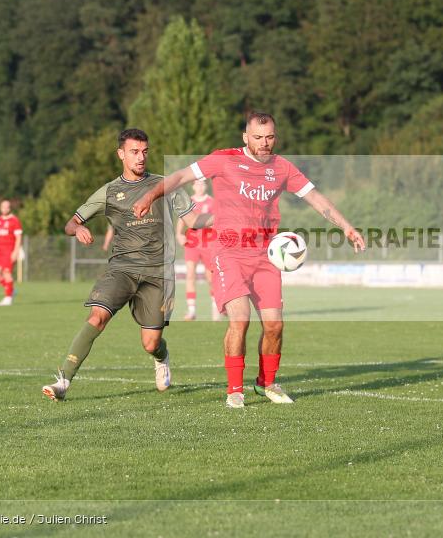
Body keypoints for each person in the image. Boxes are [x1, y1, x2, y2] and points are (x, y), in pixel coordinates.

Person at [132, 111, 366, 408]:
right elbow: (180, 176)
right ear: (246, 137)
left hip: (266, 256)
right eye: (258, 137)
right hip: (228, 252)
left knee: (274, 326)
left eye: (269, 137)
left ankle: (267, 383)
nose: (264, 143)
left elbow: (315, 198)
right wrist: (150, 196)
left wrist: (347, 227)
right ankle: (234, 389)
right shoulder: (224, 159)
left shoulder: (282, 168)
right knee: (240, 319)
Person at [41, 128, 209, 402]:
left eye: (144, 151)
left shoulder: (165, 185)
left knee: (150, 343)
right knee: (97, 317)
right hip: (122, 268)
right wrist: (78, 229)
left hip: (158, 274)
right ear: (121, 154)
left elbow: (194, 222)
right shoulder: (110, 191)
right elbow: (71, 222)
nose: (140, 157)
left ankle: (161, 355)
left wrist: (227, 217)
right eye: (134, 152)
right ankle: (63, 381)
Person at [176, 179, 220, 321]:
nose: (200, 187)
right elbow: (182, 219)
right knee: (190, 274)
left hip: (209, 243)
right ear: (193, 186)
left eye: (202, 184)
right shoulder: (188, 201)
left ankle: (216, 308)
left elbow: (217, 220)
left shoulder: (212, 202)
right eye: (197, 184)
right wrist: (179, 234)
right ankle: (191, 311)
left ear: (206, 186)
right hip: (192, 243)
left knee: (210, 277)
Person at [0, 199, 23, 306]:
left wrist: (15, 252)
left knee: (7, 273)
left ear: (10, 208)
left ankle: (8, 298)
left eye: (7, 207)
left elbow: (18, 238)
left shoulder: (15, 221)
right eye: (3, 207)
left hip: (9, 251)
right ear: (0, 208)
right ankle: (10, 289)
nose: (5, 209)